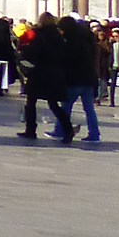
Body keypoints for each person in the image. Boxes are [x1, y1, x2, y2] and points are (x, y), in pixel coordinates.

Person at [18, 12, 72, 143]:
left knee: (31, 102)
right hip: (55, 74)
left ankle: (30, 130)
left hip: (39, 73)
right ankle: (68, 129)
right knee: (53, 104)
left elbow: (34, 53)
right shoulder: (59, 37)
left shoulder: (38, 35)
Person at [59, 14, 103, 146]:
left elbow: (69, 59)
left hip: (75, 78)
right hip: (89, 78)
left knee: (66, 106)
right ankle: (94, 134)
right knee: (89, 108)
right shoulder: (88, 40)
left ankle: (60, 130)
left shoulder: (72, 41)